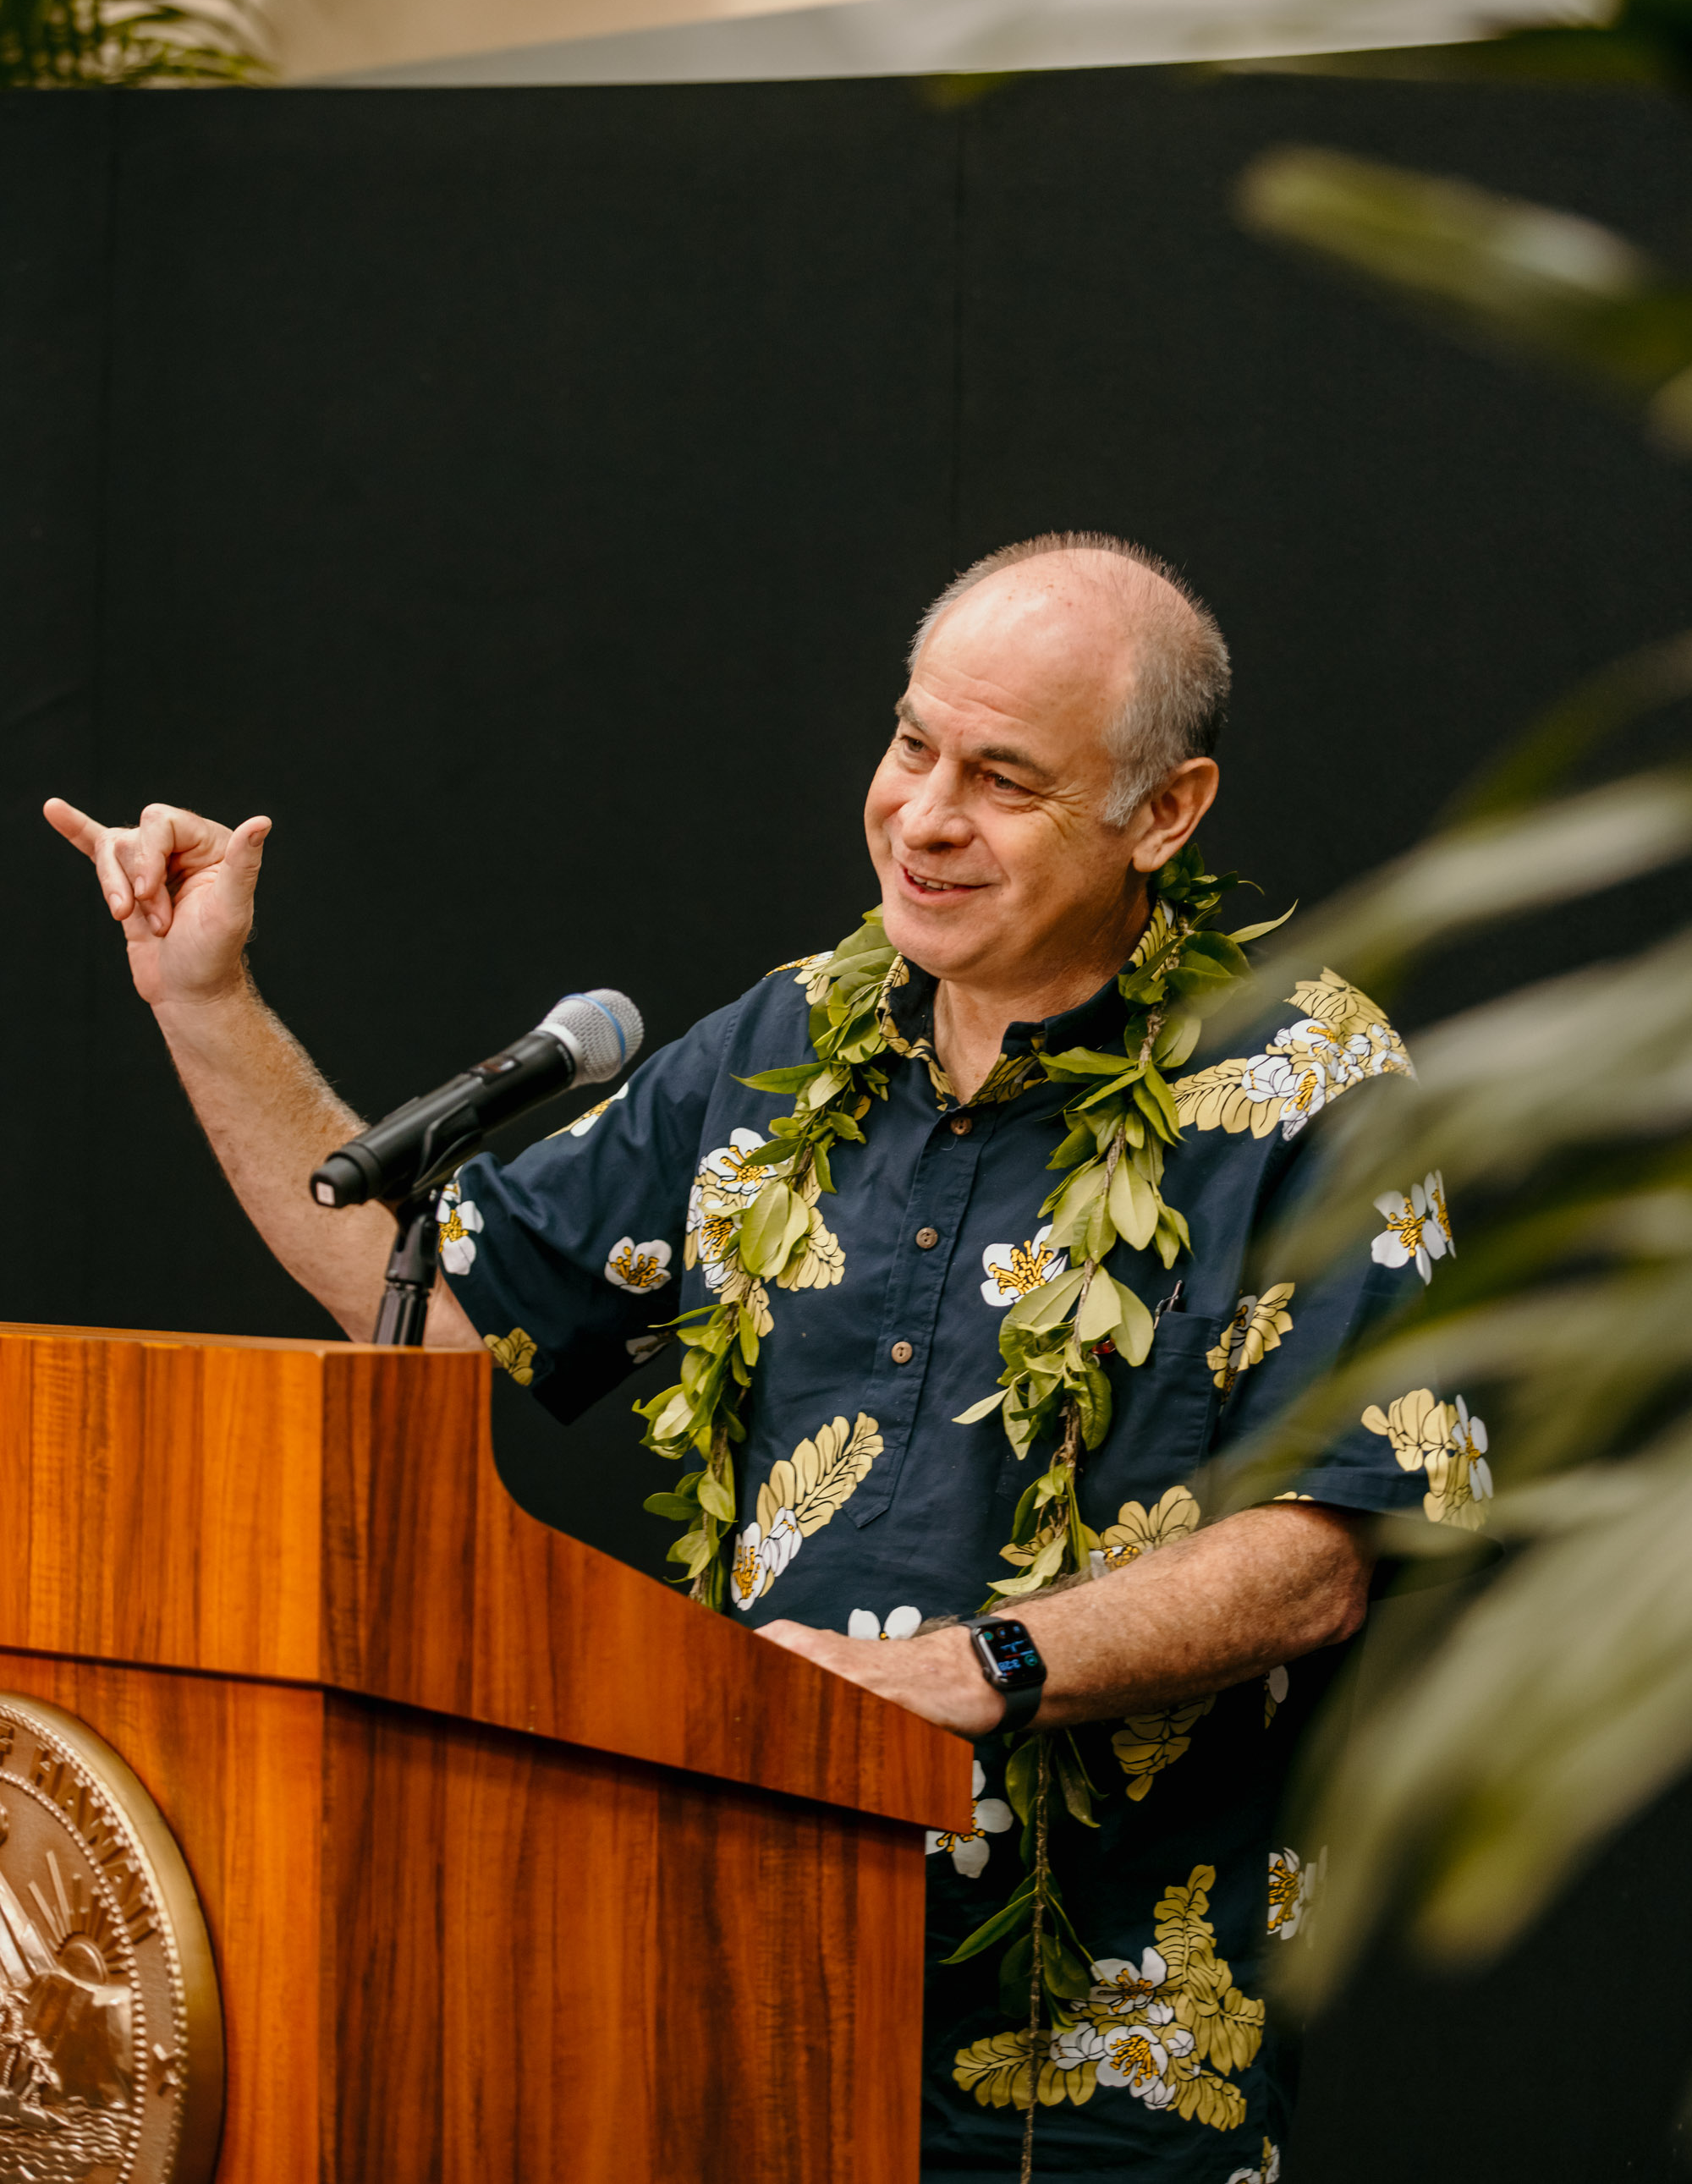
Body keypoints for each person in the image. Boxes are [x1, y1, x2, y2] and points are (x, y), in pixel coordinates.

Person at [47, 532, 1453, 2181]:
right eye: (913, 741)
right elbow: (436, 1306)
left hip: (1095, 2077)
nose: (924, 813)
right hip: (733, 1995)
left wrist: (952, 1672)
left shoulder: (1305, 1080)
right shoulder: (785, 1047)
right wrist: (206, 999)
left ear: (1165, 809)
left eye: (1001, 777)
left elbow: (1320, 1549)